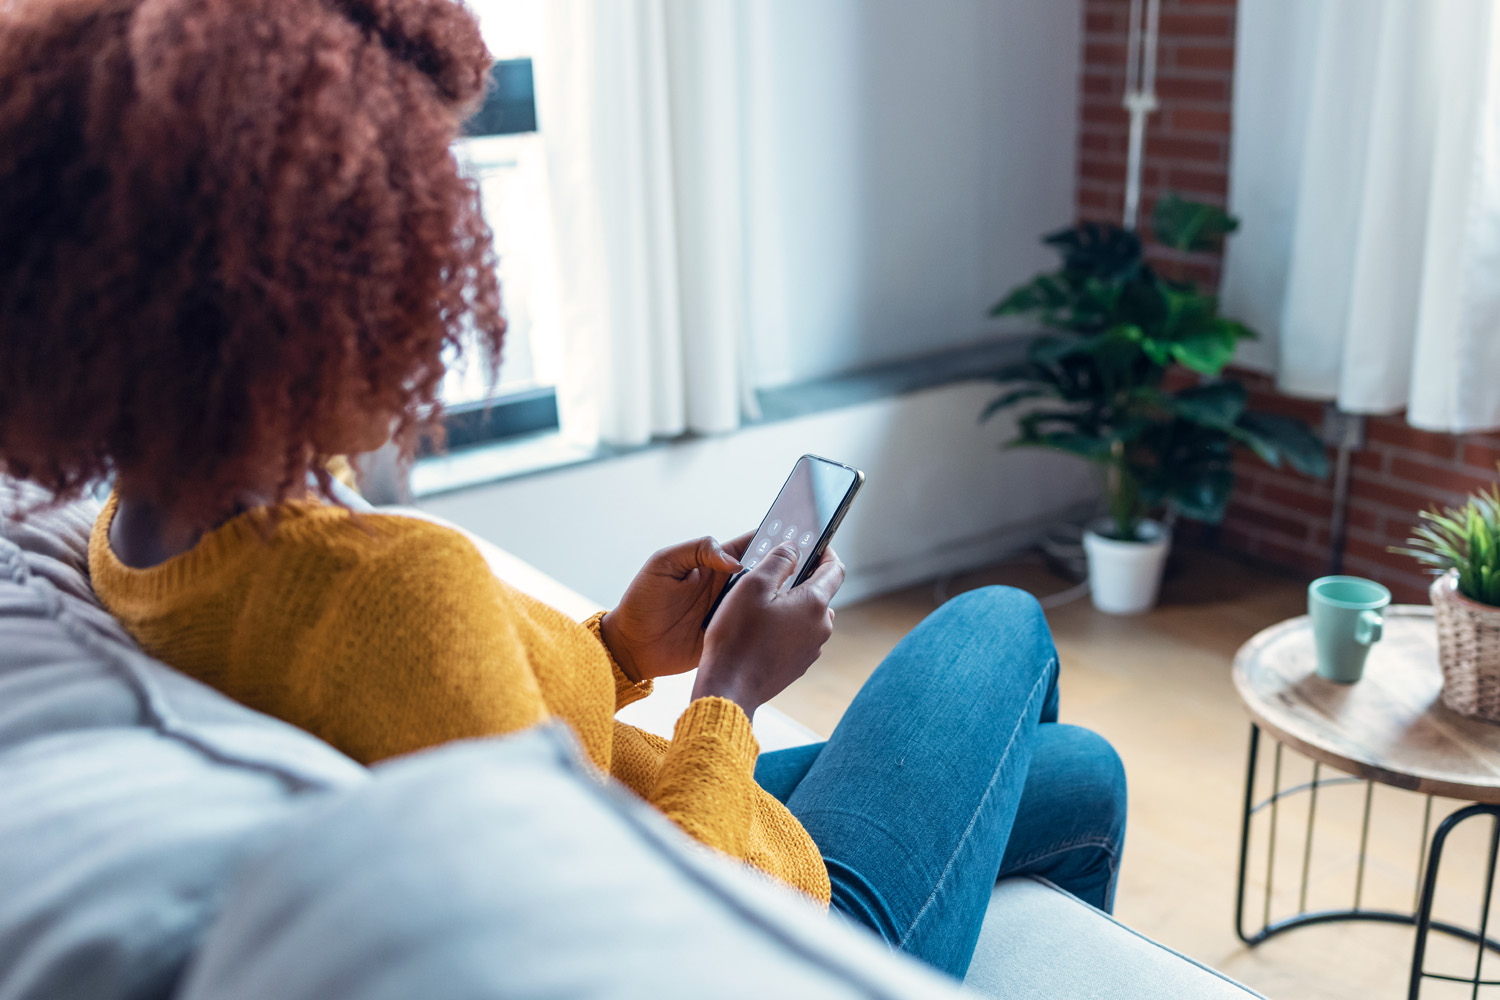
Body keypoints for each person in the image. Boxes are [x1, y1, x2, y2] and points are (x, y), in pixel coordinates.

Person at [0, 0, 1125, 980]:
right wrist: (730, 688)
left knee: (1083, 775)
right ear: (306, 294)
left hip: (634, 801)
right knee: (1000, 621)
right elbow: (665, 937)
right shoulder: (387, 594)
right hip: (756, 915)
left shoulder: (138, 523)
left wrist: (623, 647)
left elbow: (467, 720)